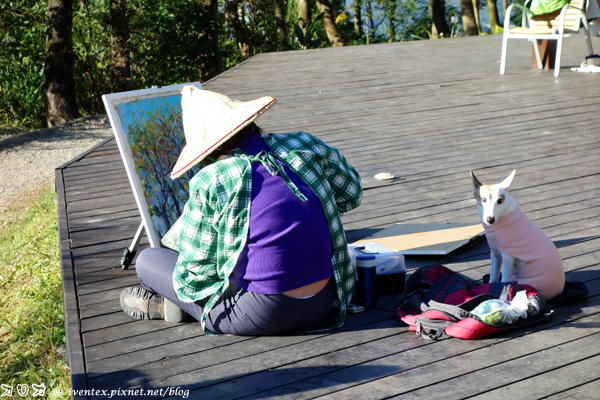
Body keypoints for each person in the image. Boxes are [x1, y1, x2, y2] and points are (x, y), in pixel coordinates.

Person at [119, 87, 363, 335]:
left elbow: (195, 275)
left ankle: (177, 308)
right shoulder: (303, 144)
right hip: (324, 302)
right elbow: (352, 193)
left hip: (264, 313)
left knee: (148, 261)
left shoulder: (212, 178)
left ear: (208, 148)